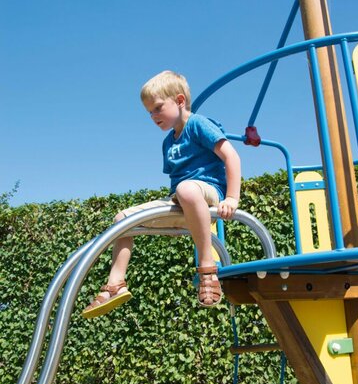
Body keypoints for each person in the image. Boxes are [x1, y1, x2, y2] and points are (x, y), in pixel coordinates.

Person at [82, 70, 241, 318]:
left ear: (179, 101)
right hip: (182, 201)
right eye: (149, 112)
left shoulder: (198, 124)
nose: (153, 116)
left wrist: (232, 198)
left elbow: (231, 156)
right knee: (122, 218)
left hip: (207, 192)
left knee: (186, 188)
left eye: (157, 108)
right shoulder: (168, 142)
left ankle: (208, 268)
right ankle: (116, 284)